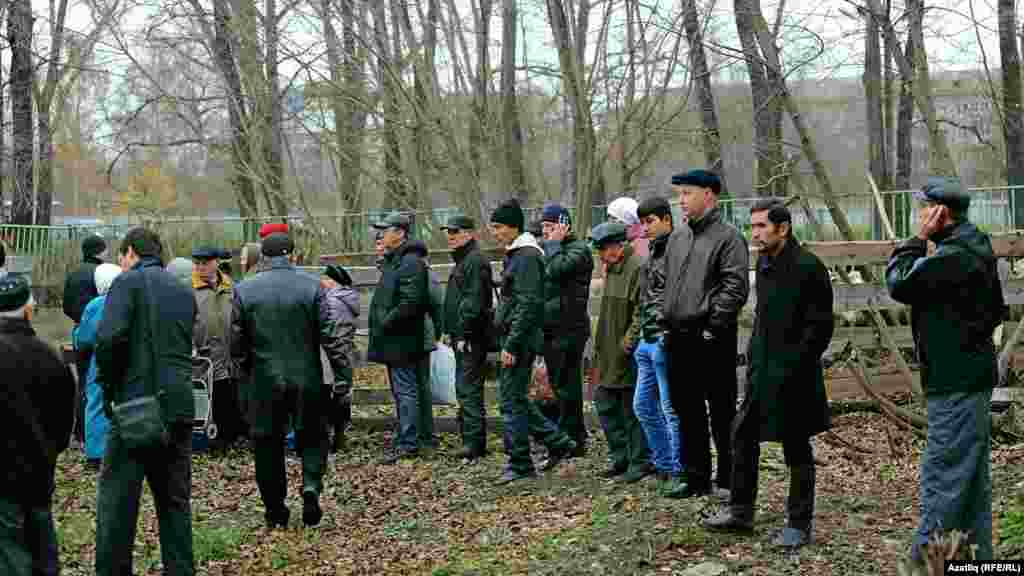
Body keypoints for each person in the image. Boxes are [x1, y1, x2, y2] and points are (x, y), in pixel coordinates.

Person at [887, 177, 1005, 564]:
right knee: (970, 481)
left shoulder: (952, 256)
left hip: (954, 381)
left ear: (941, 213)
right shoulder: (975, 245)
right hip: (969, 376)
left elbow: (900, 283)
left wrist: (915, 241)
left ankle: (923, 564)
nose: (918, 215)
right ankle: (977, 561)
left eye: (923, 208)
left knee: (946, 474)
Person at [703, 199, 834, 549]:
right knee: (742, 435)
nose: (755, 233)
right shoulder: (764, 263)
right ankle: (741, 510)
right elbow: (764, 317)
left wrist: (794, 365)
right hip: (762, 371)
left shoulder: (809, 267)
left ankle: (799, 524)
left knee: (796, 448)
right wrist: (754, 356)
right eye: (753, 226)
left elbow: (820, 329)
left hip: (796, 376)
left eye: (762, 226)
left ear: (783, 228)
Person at [94, 227, 197, 576]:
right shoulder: (184, 291)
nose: (121, 263)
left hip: (136, 406)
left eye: (122, 256)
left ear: (131, 253)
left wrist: (108, 391)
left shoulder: (127, 283)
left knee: (117, 505)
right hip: (179, 404)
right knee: (175, 503)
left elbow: (109, 340)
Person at [232, 232, 346, 528]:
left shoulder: (244, 290)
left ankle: (275, 510)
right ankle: (310, 485)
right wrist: (343, 374)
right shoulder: (312, 287)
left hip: (263, 380)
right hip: (306, 376)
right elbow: (331, 337)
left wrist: (244, 376)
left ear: (264, 258)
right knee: (313, 436)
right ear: (293, 256)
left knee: (267, 445)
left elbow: (237, 342)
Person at [664, 169, 749, 499]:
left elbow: (735, 287)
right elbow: (661, 282)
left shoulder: (728, 237)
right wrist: (662, 316)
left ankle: (728, 477)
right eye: (680, 193)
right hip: (676, 336)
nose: (681, 200)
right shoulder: (677, 238)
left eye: (687, 193)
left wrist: (713, 327)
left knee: (722, 410)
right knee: (686, 410)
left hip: (711, 338)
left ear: (709, 195)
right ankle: (695, 475)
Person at [489, 198, 577, 484]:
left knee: (510, 403)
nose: (495, 232)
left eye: (499, 226)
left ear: (514, 226)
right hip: (517, 337)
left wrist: (512, 344)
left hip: (520, 340)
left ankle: (521, 463)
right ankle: (557, 441)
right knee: (514, 399)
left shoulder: (526, 256)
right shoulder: (518, 253)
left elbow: (528, 304)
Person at [0, 276, 76, 576]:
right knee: (43, 548)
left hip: (3, 478)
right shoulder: (50, 358)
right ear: (29, 310)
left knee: (9, 554)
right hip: (39, 471)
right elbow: (63, 425)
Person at [366, 213, 432, 464]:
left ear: (401, 233)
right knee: (405, 390)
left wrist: (386, 321)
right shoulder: (399, 260)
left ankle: (409, 442)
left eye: (387, 230)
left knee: (406, 391)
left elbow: (410, 302)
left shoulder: (410, 262)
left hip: (402, 340)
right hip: (397, 339)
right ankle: (410, 438)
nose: (382, 235)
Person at [589, 221, 652, 483]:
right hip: (607, 349)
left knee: (630, 410)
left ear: (617, 246)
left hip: (625, 353)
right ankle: (621, 457)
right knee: (605, 404)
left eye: (604, 249)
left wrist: (629, 341)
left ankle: (638, 461)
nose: (601, 255)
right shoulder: (612, 268)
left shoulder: (637, 267)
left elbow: (642, 309)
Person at [632, 197, 683, 489]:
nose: (645, 228)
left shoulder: (678, 248)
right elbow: (647, 295)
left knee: (670, 408)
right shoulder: (654, 250)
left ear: (666, 219)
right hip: (647, 339)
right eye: (642, 222)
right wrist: (642, 332)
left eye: (650, 221)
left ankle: (677, 469)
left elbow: (676, 295)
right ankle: (664, 463)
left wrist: (667, 333)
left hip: (665, 338)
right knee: (642, 406)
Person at [539, 203, 593, 456]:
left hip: (570, 327)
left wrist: (553, 244)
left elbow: (556, 269)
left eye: (551, 227)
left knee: (568, 386)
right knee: (560, 384)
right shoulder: (555, 249)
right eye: (544, 228)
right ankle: (569, 436)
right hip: (553, 327)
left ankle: (573, 438)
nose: (546, 233)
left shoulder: (578, 250)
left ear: (564, 226)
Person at [440, 214, 494, 461]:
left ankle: (474, 444)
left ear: (469, 234)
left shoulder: (474, 261)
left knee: (469, 389)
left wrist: (464, 333)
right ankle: (470, 441)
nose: (450, 237)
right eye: (448, 232)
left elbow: (474, 303)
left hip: (472, 337)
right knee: (465, 388)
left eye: (455, 232)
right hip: (462, 335)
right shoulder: (465, 260)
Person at [73, 263, 123, 470]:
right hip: (127, 358)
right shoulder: (126, 301)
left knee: (95, 403)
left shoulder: (95, 305)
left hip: (101, 359)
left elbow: (84, 339)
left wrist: (76, 334)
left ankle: (95, 454)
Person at [192, 246, 242, 451]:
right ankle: (211, 438)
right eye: (198, 263)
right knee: (210, 397)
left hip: (231, 353)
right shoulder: (189, 290)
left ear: (216, 263)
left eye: (205, 263)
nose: (201, 267)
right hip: (205, 354)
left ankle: (231, 435)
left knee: (229, 396)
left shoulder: (232, 287)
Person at [63, 234, 107, 444]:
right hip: (100, 333)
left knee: (82, 381)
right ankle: (95, 432)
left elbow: (66, 305)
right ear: (100, 251)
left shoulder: (73, 273)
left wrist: (80, 322)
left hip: (78, 330)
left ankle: (79, 430)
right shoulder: (101, 273)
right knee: (97, 384)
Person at [320, 264, 359, 453]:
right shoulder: (347, 299)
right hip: (346, 352)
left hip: (334, 354)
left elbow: (329, 331)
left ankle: (333, 439)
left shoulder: (332, 303)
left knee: (332, 396)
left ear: (332, 282)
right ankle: (340, 436)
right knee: (342, 395)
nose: (322, 282)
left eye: (325, 279)